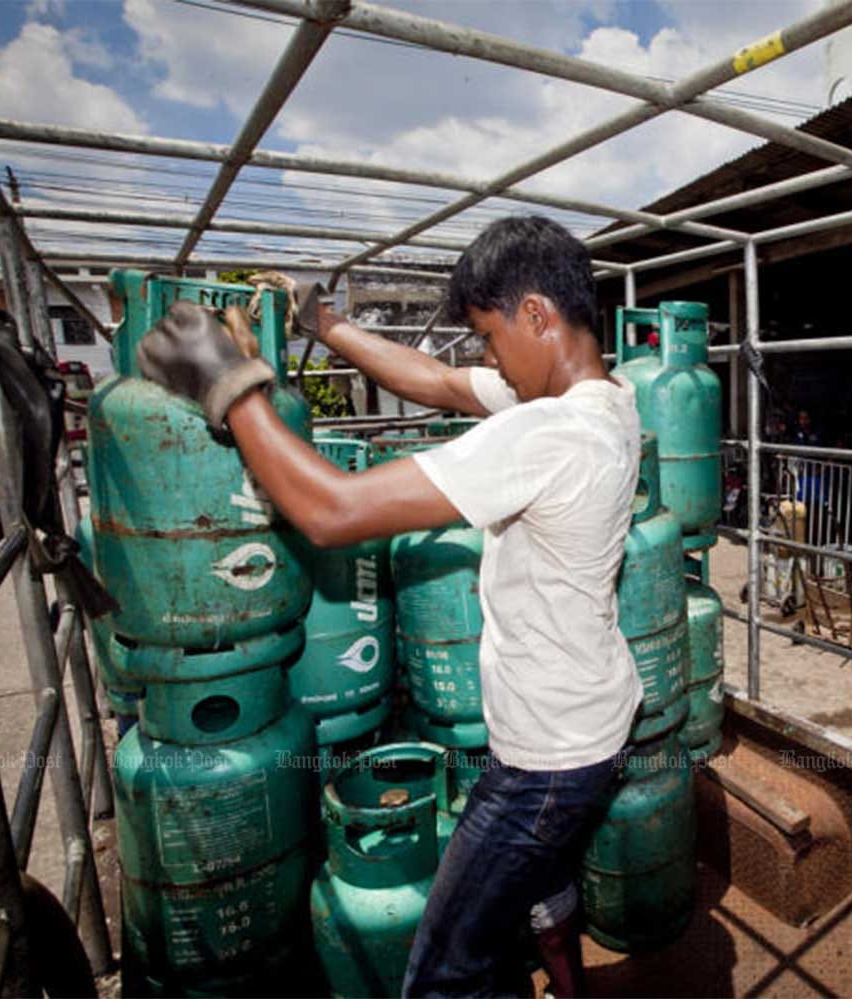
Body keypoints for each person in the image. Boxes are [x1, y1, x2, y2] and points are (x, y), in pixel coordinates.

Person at [136, 216, 644, 998]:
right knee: (538, 876)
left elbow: (332, 511)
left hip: (547, 759)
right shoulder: (609, 398)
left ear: (537, 314)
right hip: (592, 719)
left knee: (444, 972)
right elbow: (435, 381)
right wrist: (325, 323)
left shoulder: (551, 432)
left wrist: (231, 385)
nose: (486, 359)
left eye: (488, 336)